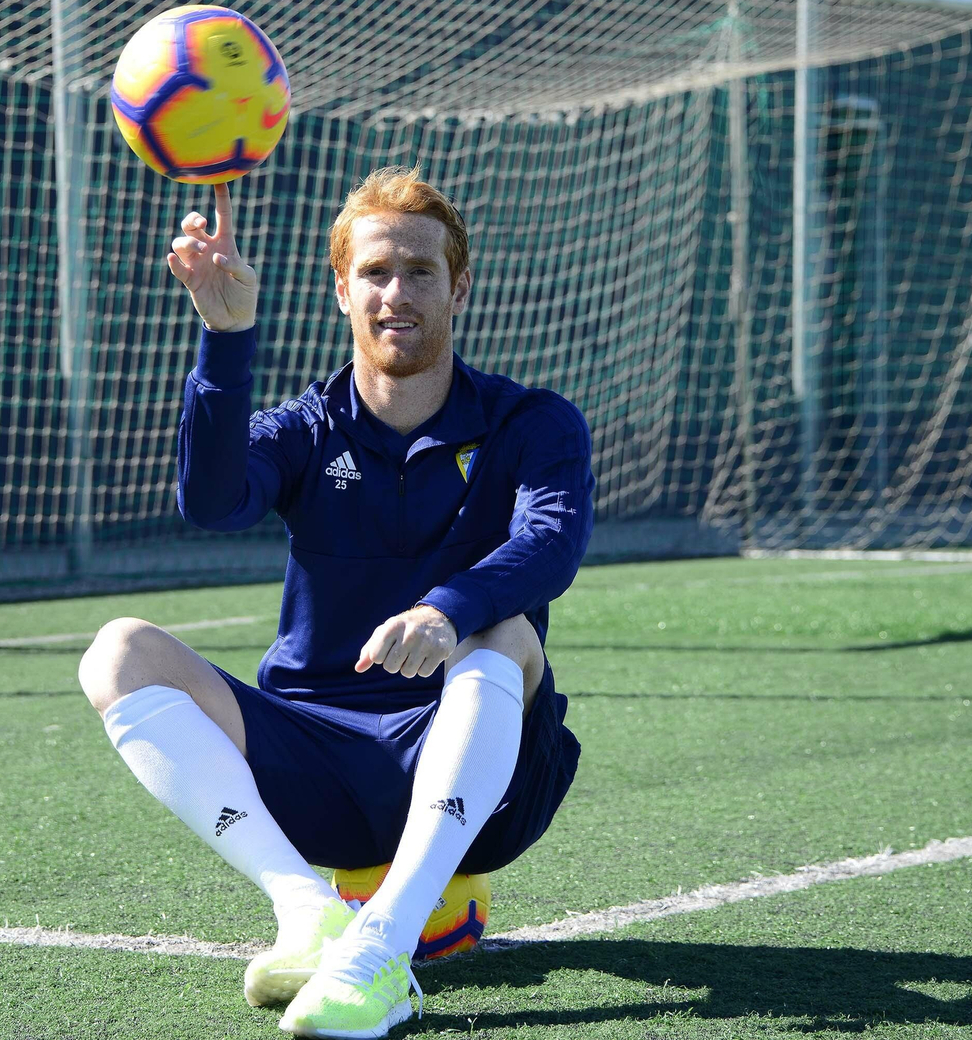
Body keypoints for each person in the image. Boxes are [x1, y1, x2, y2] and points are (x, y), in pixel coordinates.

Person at [78, 166, 593, 1039]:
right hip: (315, 763)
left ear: (458, 285)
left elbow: (552, 543)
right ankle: (308, 912)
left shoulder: (532, 422)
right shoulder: (305, 427)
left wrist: (448, 608)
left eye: (421, 272)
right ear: (341, 289)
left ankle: (380, 949)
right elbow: (212, 502)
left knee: (505, 631)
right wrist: (224, 338)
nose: (398, 293)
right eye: (376, 273)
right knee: (119, 650)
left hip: (478, 773)